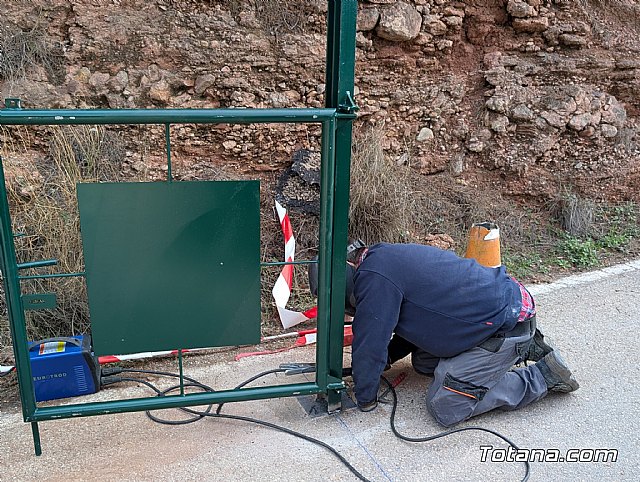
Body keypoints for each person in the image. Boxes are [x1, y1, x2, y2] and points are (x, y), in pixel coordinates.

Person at [308, 241, 579, 427]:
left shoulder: (375, 281)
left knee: (446, 406)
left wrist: (365, 398)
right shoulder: (380, 259)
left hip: (504, 324)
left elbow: (370, 342)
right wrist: (385, 360)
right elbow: (409, 322)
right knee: (425, 363)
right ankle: (498, 358)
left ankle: (542, 376)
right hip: (500, 306)